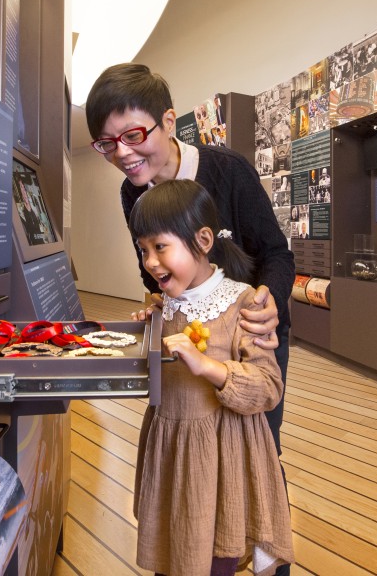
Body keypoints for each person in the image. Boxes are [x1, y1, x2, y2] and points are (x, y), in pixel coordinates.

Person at [85, 64, 294, 469]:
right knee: (199, 452)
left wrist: (269, 299)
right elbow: (152, 274)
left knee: (257, 450)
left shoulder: (228, 171)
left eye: (132, 136)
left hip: (250, 335)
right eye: (107, 144)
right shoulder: (132, 193)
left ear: (167, 121)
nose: (122, 153)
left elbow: (276, 254)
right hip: (192, 340)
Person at [127, 180, 294, 575]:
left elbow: (268, 385)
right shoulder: (163, 304)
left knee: (215, 552)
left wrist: (209, 369)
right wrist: (145, 331)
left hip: (223, 454)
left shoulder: (243, 303)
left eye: (160, 247)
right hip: (171, 447)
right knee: (172, 546)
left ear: (203, 239)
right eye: (143, 250)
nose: (150, 262)